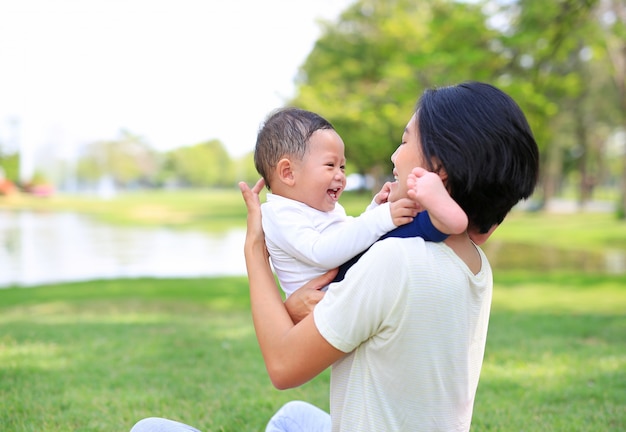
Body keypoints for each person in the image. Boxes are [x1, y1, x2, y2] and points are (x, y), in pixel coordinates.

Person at [129, 81, 539, 431]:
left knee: (148, 429)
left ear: (438, 169)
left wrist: (256, 250)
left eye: (404, 141)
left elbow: (284, 366)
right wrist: (295, 306)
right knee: (293, 419)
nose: (395, 157)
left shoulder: (394, 262)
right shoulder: (473, 264)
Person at [253, 107, 468, 297]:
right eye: (330, 165)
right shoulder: (279, 214)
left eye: (343, 167)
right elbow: (322, 253)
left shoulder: (315, 207)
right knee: (395, 231)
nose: (340, 176)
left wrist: (375, 209)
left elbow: (346, 237)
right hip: (327, 293)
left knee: (395, 231)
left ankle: (438, 216)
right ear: (288, 173)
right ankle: (439, 221)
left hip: (341, 280)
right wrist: (381, 217)